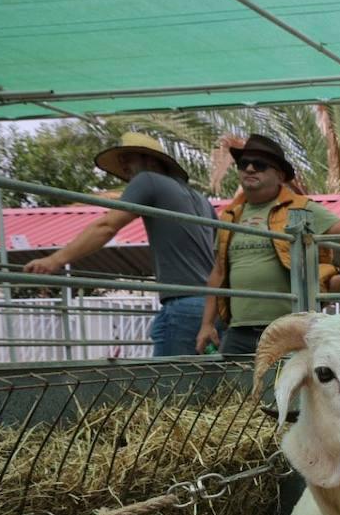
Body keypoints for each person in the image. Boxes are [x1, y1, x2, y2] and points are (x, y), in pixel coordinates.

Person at [23, 133, 216, 357]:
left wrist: (55, 260)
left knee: (169, 386)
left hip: (182, 304)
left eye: (129, 158)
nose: (124, 165)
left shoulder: (147, 180)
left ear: (151, 161)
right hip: (210, 307)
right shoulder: (201, 200)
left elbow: (106, 226)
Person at [194, 134, 340, 355]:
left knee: (289, 388)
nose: (250, 169)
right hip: (238, 330)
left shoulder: (302, 208)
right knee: (233, 389)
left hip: (288, 326)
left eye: (260, 165)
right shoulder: (230, 215)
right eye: (244, 164)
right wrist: (207, 324)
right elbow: (218, 272)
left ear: (280, 175)